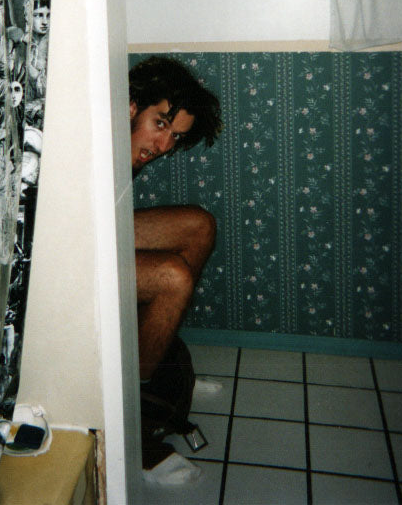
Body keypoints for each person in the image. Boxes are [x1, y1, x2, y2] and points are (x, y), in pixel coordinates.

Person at [129, 57, 222, 483]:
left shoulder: (125, 141)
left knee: (198, 226)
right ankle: (138, 430)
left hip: (96, 229)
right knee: (172, 276)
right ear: (132, 106)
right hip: (65, 254)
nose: (163, 146)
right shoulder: (95, 130)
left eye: (175, 135)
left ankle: (156, 364)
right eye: (160, 124)